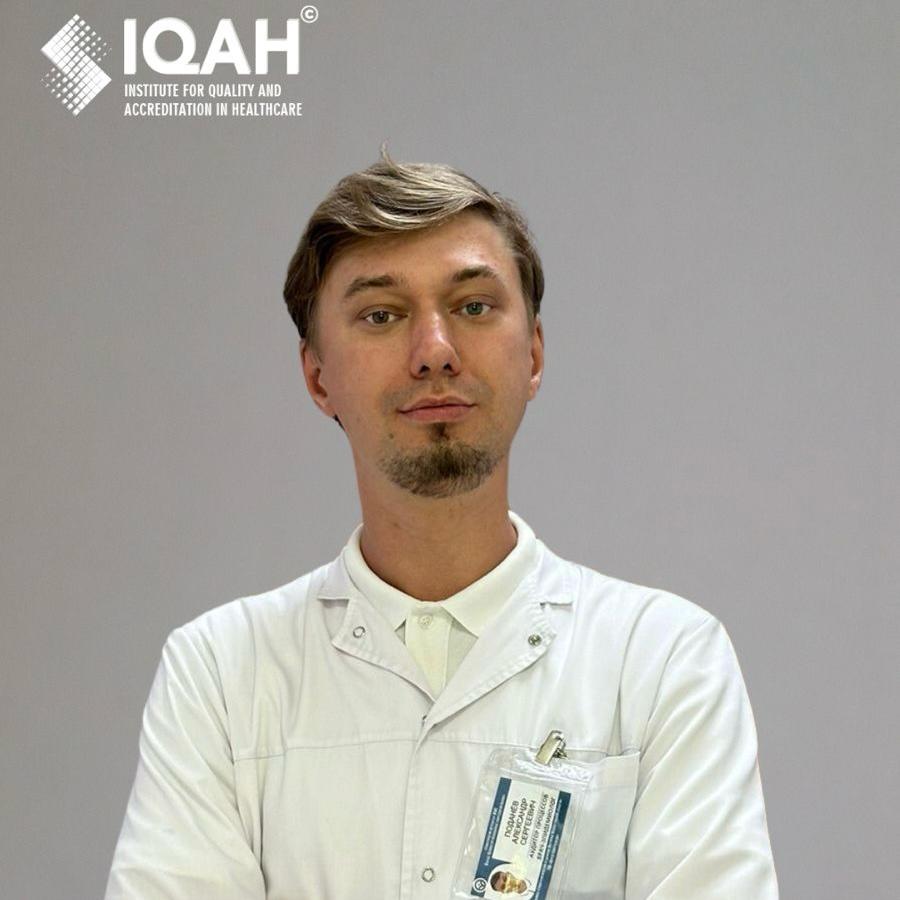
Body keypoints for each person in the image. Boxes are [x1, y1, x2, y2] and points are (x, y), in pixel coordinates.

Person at [105, 148, 779, 899]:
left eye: (474, 306)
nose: (434, 352)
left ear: (534, 353)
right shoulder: (221, 675)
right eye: (381, 315)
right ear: (318, 375)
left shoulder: (663, 662)